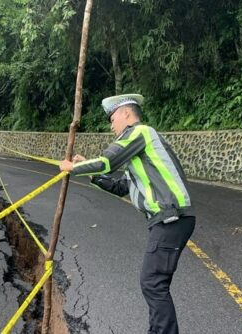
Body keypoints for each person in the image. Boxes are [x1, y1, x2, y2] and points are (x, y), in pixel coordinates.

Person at [59, 93, 195, 334]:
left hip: (171, 217)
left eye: (112, 118)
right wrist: (90, 173)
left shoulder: (139, 132)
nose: (111, 125)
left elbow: (108, 161)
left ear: (126, 113)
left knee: (153, 284)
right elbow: (122, 185)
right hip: (169, 219)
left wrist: (74, 167)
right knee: (155, 284)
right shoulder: (139, 154)